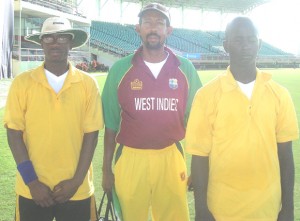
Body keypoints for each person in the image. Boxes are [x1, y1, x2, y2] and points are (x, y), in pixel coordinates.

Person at [185, 17, 299, 221]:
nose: (246, 46)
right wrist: (201, 210)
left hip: (268, 209)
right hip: (221, 209)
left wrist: (288, 208)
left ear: (260, 44)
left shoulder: (279, 95)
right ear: (226, 45)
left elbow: (286, 157)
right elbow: (200, 157)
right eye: (238, 40)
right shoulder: (206, 96)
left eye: (251, 39)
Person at [101, 3, 202, 221]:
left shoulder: (185, 69)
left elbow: (198, 123)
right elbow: (110, 124)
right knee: (130, 217)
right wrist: (105, 170)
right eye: (147, 22)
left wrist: (197, 168)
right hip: (130, 158)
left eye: (159, 23)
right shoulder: (120, 69)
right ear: (138, 28)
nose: (153, 28)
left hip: (171, 155)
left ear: (169, 30)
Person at [4, 17, 103, 221]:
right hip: (32, 189)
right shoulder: (22, 83)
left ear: (71, 42)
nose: (55, 42)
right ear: (41, 43)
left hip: (77, 189)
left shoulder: (88, 84)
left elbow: (91, 135)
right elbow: (14, 134)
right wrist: (32, 182)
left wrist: (75, 182)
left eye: (62, 37)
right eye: (48, 38)